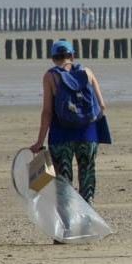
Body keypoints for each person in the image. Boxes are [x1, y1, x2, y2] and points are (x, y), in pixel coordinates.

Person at [30, 40, 110, 205]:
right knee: (87, 173)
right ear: (72, 56)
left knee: (63, 180)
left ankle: (68, 216)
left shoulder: (50, 76)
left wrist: (39, 141)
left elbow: (47, 112)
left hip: (61, 135)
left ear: (53, 58)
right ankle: (88, 210)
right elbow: (102, 106)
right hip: (88, 134)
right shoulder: (87, 72)